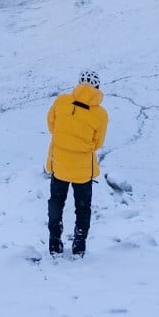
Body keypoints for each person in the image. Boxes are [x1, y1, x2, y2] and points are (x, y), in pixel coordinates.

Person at [45, 70, 109, 256]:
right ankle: (79, 243)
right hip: (83, 170)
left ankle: (54, 241)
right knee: (83, 207)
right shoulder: (101, 114)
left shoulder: (61, 101)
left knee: (56, 202)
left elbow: (51, 126)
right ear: (97, 88)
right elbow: (98, 143)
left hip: (60, 165)